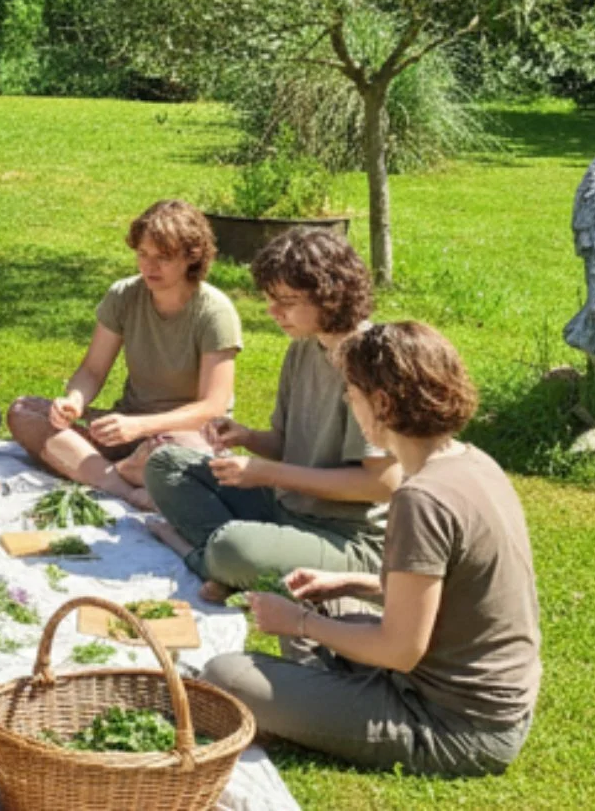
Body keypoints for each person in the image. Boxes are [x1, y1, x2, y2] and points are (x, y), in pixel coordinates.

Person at [204, 322, 542, 776]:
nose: (347, 401)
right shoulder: (473, 462)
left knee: (225, 678)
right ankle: (318, 685)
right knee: (320, 598)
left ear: (381, 404)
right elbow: (457, 592)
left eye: (352, 392)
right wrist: (353, 583)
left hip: (451, 725)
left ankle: (312, 695)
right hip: (488, 701)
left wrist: (299, 623)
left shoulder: (421, 499)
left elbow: (399, 650)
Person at [145, 228, 399, 601]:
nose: (273, 312)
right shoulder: (302, 349)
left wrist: (268, 474)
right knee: (166, 464)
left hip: (346, 536)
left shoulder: (372, 363)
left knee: (234, 548)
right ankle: (235, 562)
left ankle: (206, 558)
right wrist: (245, 437)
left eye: (287, 301)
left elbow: (380, 484)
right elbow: (284, 444)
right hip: (283, 506)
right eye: (270, 299)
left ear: (330, 294)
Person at [7, 199, 242, 508]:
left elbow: (212, 407)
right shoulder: (124, 295)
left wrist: (141, 427)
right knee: (23, 411)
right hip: (126, 426)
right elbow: (92, 371)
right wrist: (74, 402)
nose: (148, 266)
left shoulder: (214, 311)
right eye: (142, 254)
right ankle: (123, 483)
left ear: (191, 257)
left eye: (162, 258)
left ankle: (95, 468)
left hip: (183, 435)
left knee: (173, 454)